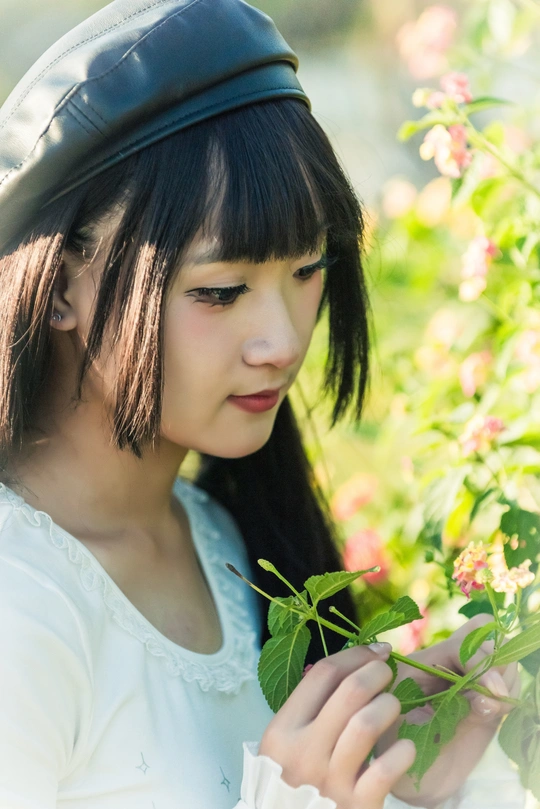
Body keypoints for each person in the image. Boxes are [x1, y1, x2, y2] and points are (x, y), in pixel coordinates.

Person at [0, 1, 527, 807]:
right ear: (64, 283)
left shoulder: (234, 541)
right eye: (221, 291)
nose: (281, 341)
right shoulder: (22, 601)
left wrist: (408, 772)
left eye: (309, 270)